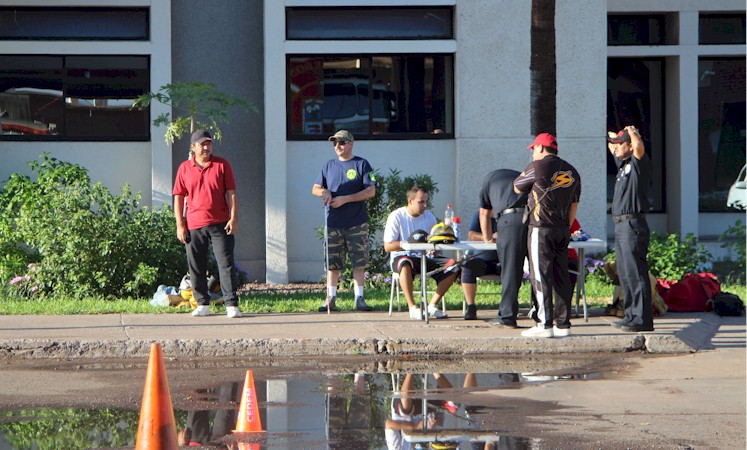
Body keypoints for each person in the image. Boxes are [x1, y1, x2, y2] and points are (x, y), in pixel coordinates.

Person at [514, 133, 581, 338]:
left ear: (541, 148)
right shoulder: (573, 171)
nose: (533, 153)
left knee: (540, 276)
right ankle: (563, 324)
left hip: (540, 228)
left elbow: (517, 187)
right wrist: (567, 227)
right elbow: (574, 205)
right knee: (561, 275)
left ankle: (544, 324)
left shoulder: (536, 166)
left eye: (534, 149)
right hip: (563, 229)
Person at [173, 130, 242, 318]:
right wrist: (180, 224)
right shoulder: (184, 168)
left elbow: (231, 193)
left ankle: (231, 305)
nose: (206, 147)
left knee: (226, 264)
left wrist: (234, 218)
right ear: (193, 147)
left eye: (209, 144)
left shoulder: (222, 165)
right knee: (196, 265)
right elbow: (179, 197)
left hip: (220, 223)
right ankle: (202, 303)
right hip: (194, 224)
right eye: (202, 144)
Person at [312, 130, 377, 312]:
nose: (337, 146)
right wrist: (324, 192)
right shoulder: (329, 166)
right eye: (335, 143)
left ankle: (359, 298)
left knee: (359, 262)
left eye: (341, 142)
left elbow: (371, 191)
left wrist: (345, 199)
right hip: (333, 222)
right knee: (332, 263)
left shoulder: (362, 164)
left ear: (351, 143)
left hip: (357, 222)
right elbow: (315, 188)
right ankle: (331, 298)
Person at [607, 125, 654, 332]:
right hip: (621, 225)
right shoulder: (623, 164)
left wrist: (633, 132)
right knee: (625, 273)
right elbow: (611, 145)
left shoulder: (637, 164)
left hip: (633, 224)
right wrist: (614, 135)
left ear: (630, 146)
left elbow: (639, 147)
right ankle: (630, 315)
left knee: (636, 272)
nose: (616, 148)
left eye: (621, 144)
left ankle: (642, 319)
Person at [383, 185, 455, 320]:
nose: (425, 205)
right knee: (405, 264)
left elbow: (434, 241)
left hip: (425, 258)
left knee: (453, 265)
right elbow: (388, 246)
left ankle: (432, 305)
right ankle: (412, 308)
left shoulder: (429, 217)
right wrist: (408, 245)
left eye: (426, 201)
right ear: (410, 200)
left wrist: (434, 248)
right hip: (403, 257)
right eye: (421, 202)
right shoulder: (396, 216)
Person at [477, 169, 530, 328]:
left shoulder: (488, 181)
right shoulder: (522, 177)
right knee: (538, 270)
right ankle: (542, 316)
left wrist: (488, 238)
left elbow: (484, 214)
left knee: (511, 271)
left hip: (510, 221)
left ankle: (507, 316)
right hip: (534, 218)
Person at [460, 211, 500, 320]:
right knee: (468, 267)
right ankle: (471, 306)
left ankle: (507, 306)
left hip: (503, 260)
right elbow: (472, 235)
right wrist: (489, 237)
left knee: (513, 268)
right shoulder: (480, 215)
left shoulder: (506, 215)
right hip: (483, 260)